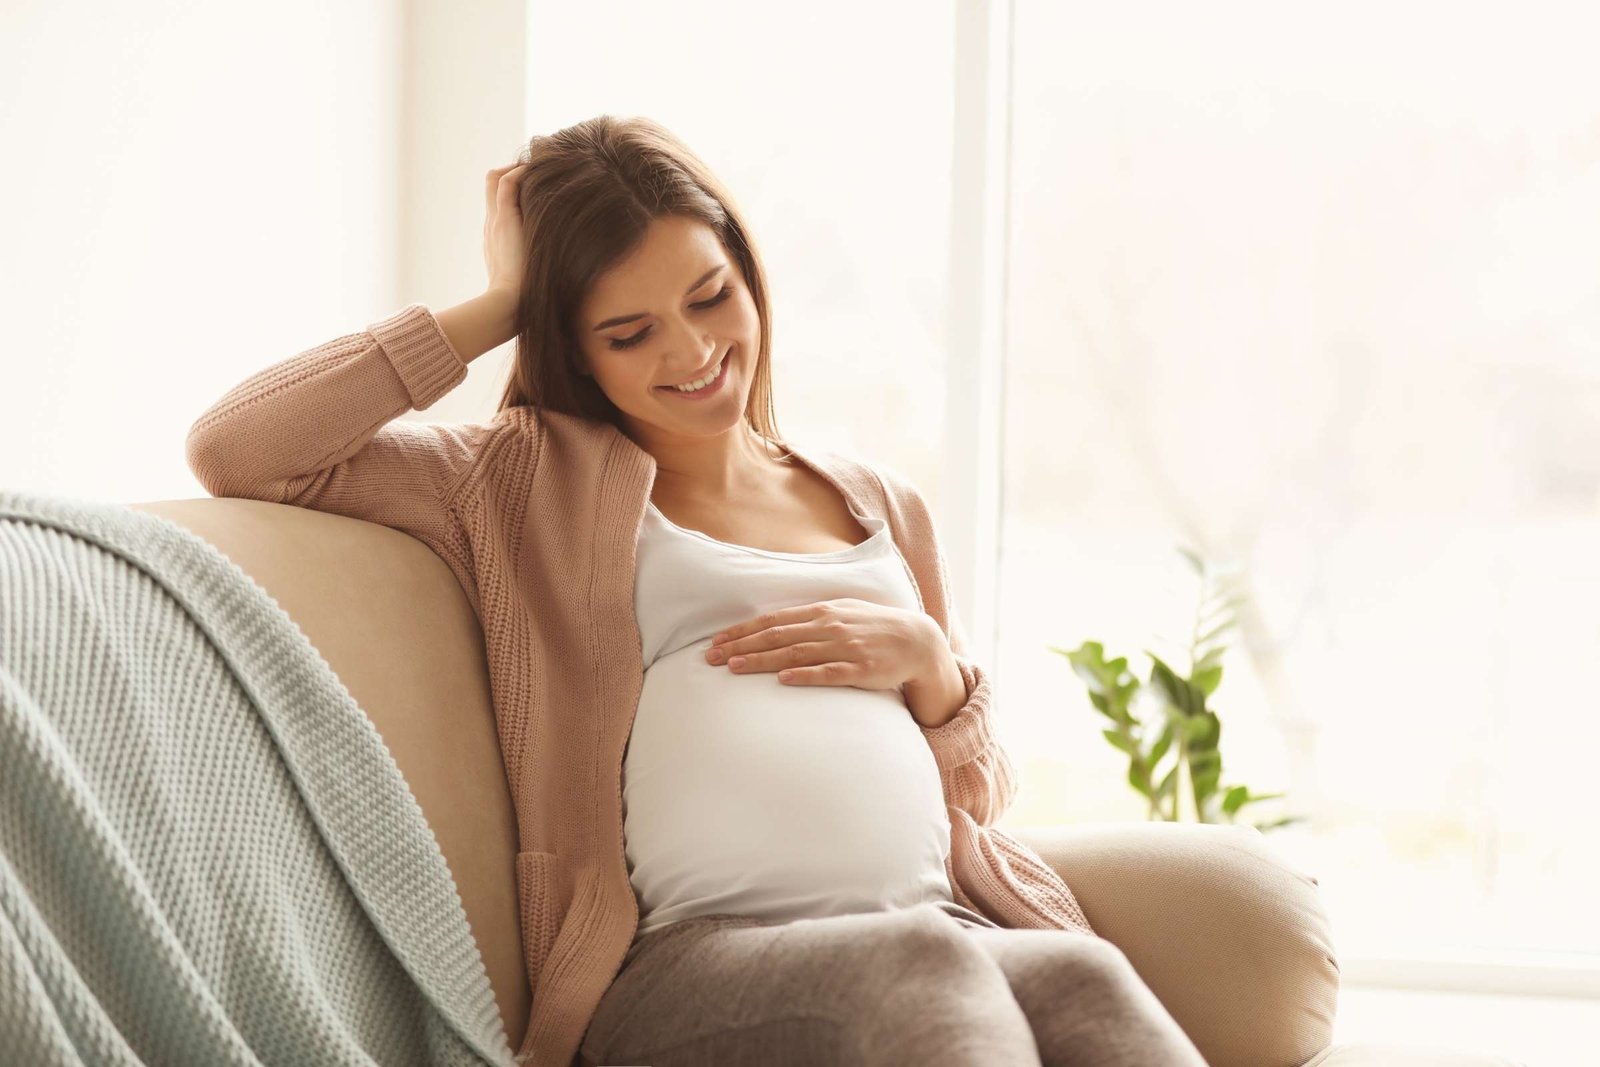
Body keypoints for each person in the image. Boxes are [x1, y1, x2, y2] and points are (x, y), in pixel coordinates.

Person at [186, 114, 1206, 1067]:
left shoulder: (882, 504)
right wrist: (501, 301)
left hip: (934, 919)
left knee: (1081, 972)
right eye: (627, 333)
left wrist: (936, 675)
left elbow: (978, 797)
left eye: (710, 296)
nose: (692, 352)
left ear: (748, 275)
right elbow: (241, 449)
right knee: (920, 970)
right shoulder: (521, 481)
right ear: (575, 348)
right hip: (689, 962)